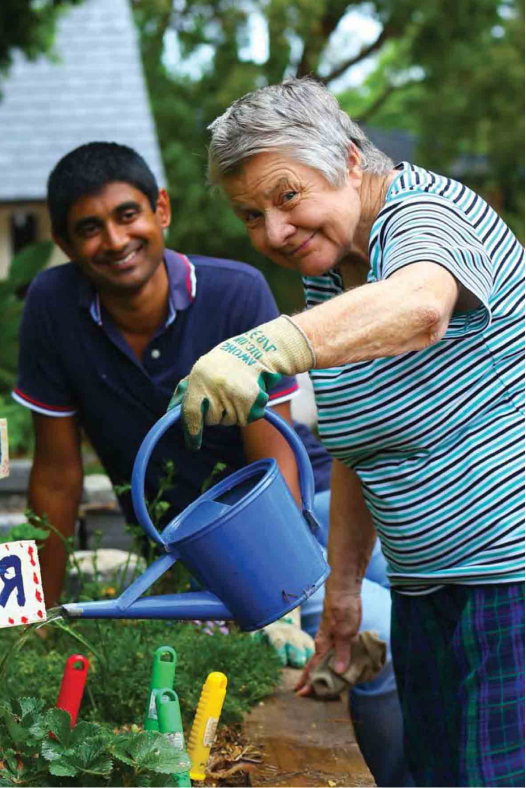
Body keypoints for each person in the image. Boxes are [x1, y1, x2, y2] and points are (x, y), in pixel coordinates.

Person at [13, 142, 413, 788]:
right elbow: (55, 479)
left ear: (161, 210)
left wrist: (279, 597)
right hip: (205, 543)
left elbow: (271, 457)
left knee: (442, 591)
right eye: (89, 228)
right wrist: (30, 617)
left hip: (297, 504)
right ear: (63, 239)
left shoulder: (231, 291)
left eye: (127, 215)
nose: (115, 240)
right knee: (388, 636)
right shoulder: (53, 310)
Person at [173, 77, 526, 788]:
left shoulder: (429, 215)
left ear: (350, 162)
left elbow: (423, 304)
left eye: (286, 195)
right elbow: (364, 448)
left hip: (509, 585)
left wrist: (262, 347)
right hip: (431, 593)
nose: (272, 231)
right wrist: (342, 593)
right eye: (250, 214)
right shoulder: (334, 275)